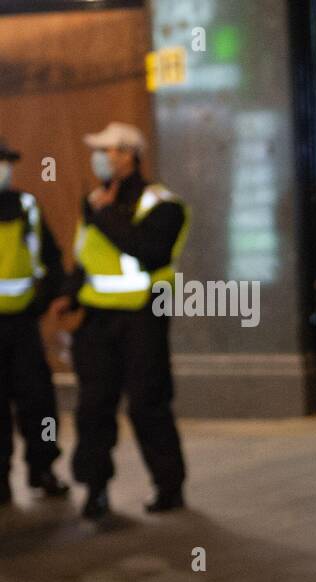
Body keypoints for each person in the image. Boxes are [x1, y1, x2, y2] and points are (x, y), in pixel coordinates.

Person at [48, 122, 189, 519]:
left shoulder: (163, 204)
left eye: (109, 150)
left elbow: (149, 251)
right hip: (96, 322)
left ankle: (169, 486)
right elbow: (88, 257)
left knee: (148, 403)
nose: (101, 158)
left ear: (130, 154)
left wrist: (107, 214)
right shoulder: (92, 202)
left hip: (143, 318)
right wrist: (69, 293)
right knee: (93, 406)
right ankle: (94, 488)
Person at [0, 136, 68, 504]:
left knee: (38, 402)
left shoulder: (27, 207)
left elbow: (51, 261)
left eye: (6, 162)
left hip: (23, 327)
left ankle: (43, 468)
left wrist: (40, 302)